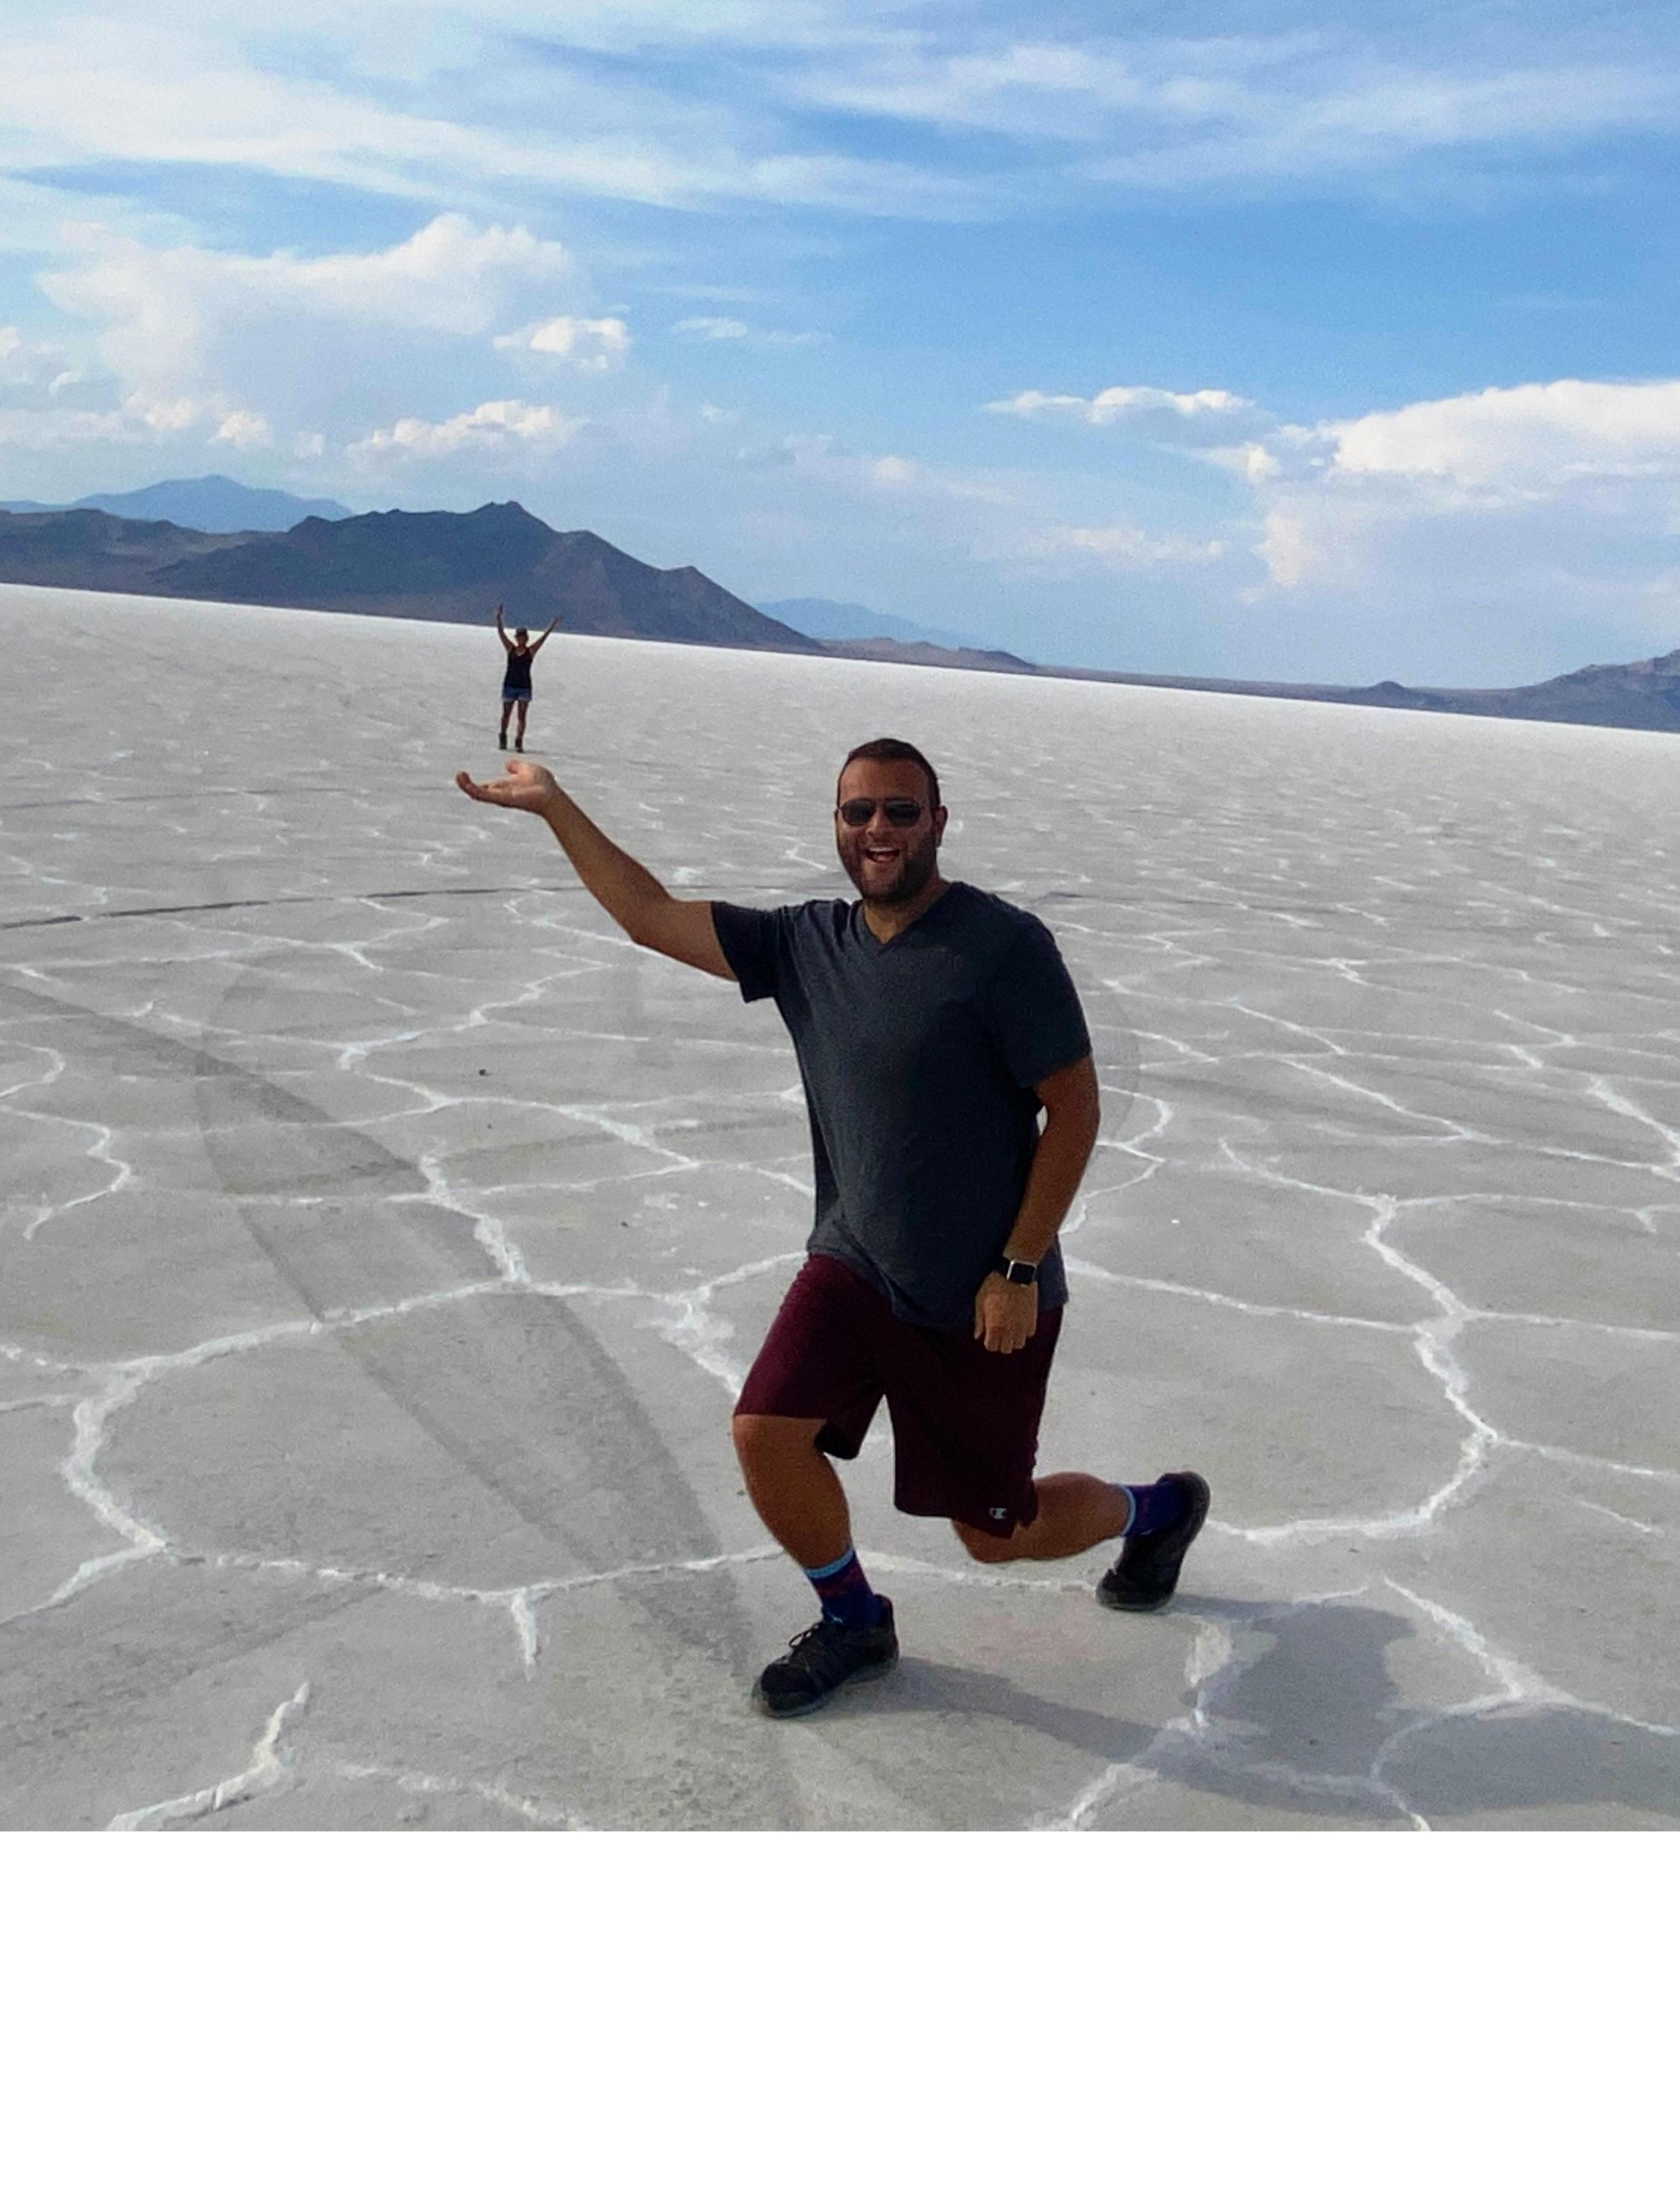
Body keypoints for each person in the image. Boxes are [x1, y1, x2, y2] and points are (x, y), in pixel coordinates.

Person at [452, 732, 1209, 1717]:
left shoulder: (1004, 949)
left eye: (901, 810)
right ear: (838, 828)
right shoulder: (805, 943)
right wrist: (556, 804)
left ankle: (1159, 1510)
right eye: (859, 813)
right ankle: (854, 1618)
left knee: (998, 1534)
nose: (880, 830)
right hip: (853, 1261)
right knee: (766, 1432)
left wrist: (1019, 1267)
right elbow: (647, 917)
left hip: (981, 1291)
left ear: (939, 821)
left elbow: (1075, 1108)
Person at [493, 607, 560, 749]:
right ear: (516, 638)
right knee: (506, 714)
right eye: (519, 637)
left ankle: (519, 741)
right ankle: (503, 736)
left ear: (526, 639)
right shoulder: (510, 649)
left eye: (524, 638)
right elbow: (501, 634)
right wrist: (498, 618)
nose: (521, 640)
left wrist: (552, 625)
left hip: (524, 687)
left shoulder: (531, 651)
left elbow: (543, 638)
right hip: (509, 686)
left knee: (521, 716)